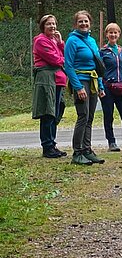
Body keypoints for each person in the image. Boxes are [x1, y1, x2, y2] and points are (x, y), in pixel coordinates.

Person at [64, 10, 105, 165]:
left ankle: (87, 150)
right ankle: (77, 152)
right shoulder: (72, 41)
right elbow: (68, 66)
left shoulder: (92, 41)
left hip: (93, 80)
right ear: (76, 24)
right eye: (80, 21)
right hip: (81, 81)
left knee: (90, 117)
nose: (83, 24)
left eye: (86, 21)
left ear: (90, 23)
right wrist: (78, 87)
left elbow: (97, 64)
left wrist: (100, 85)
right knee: (83, 115)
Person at [32, 14, 67, 158]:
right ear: (43, 26)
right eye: (48, 24)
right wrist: (64, 60)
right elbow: (55, 60)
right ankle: (47, 146)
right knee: (48, 113)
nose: (52, 26)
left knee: (56, 112)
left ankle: (52, 144)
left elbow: (62, 55)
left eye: (54, 24)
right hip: (47, 80)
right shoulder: (40, 41)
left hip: (57, 80)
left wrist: (60, 43)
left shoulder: (53, 40)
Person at [100, 23, 122, 152]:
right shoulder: (102, 52)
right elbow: (99, 71)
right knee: (108, 116)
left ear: (119, 34)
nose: (113, 35)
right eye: (110, 32)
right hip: (108, 88)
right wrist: (100, 87)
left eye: (115, 32)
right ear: (106, 34)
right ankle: (111, 142)